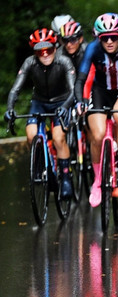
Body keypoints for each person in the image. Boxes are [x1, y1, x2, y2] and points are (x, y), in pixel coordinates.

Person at [75, 13, 118, 207]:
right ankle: (97, 181)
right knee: (97, 135)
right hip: (101, 90)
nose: (109, 41)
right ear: (98, 38)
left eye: (113, 36)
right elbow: (80, 79)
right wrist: (80, 101)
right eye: (104, 38)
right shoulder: (92, 49)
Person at [5, 28, 76, 199]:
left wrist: (66, 107)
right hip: (40, 103)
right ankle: (40, 164)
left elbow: (74, 91)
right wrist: (10, 109)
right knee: (31, 135)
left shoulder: (64, 61)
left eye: (49, 50)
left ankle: (66, 178)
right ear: (35, 52)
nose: (45, 55)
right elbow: (15, 89)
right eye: (40, 51)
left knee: (58, 138)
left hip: (62, 101)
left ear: (55, 48)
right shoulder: (29, 63)